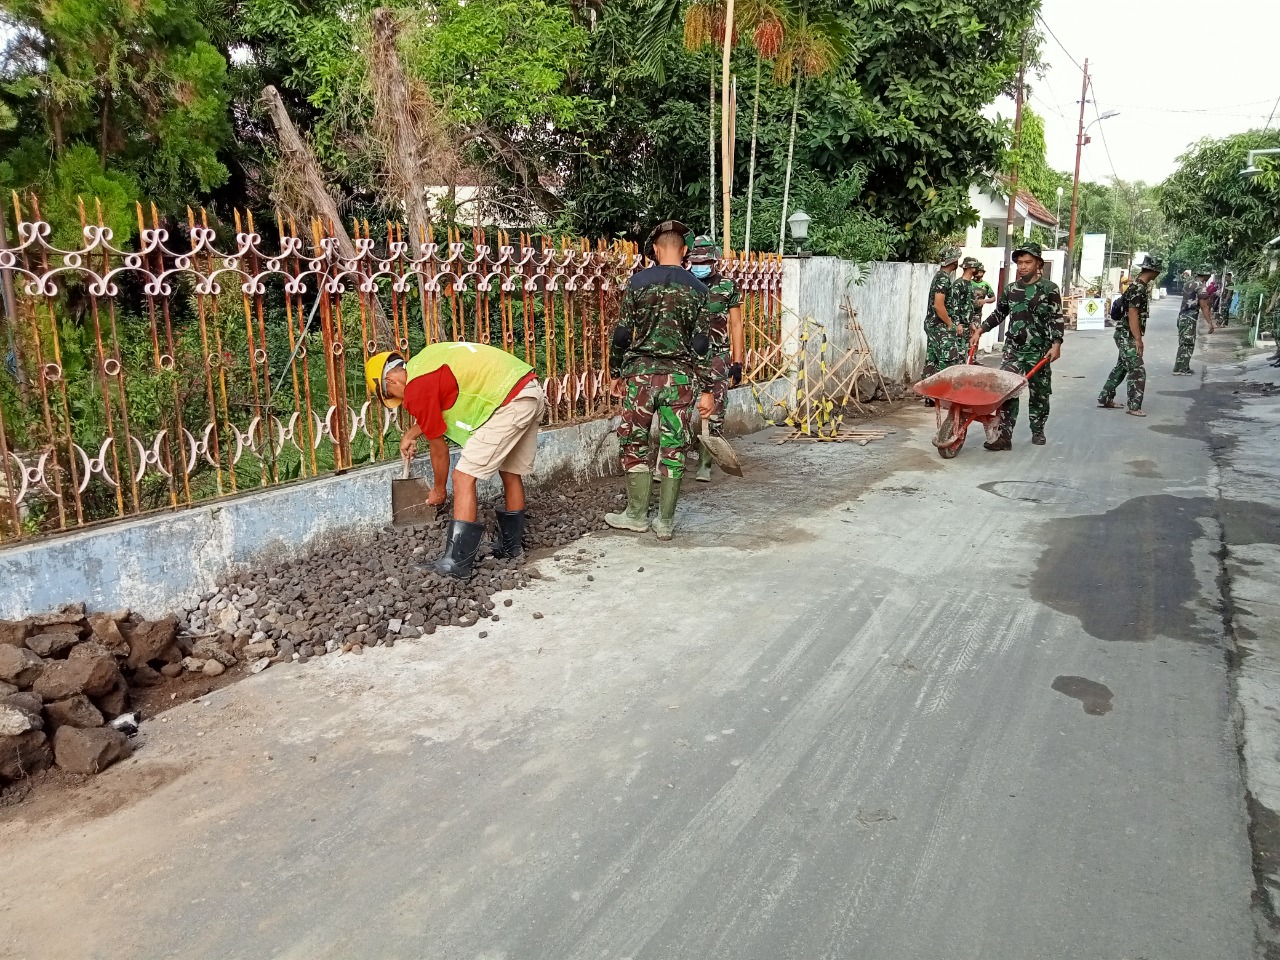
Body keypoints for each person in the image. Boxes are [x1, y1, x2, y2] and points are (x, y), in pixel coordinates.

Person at [365, 342, 547, 578]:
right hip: (528, 390)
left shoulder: (416, 387)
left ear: (390, 382)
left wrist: (439, 490)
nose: (401, 401)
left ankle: (456, 564)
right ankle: (512, 548)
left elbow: (438, 448)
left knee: (462, 477)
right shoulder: (427, 360)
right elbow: (438, 407)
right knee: (510, 472)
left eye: (393, 396)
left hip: (508, 403)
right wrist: (410, 434)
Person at [604, 220, 714, 540]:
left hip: (641, 377)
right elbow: (702, 344)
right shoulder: (699, 289)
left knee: (634, 442)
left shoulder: (638, 283)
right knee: (673, 447)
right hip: (680, 380)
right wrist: (706, 388)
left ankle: (637, 515)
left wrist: (615, 372)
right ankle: (664, 522)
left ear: (655, 249)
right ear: (683, 251)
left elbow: (623, 334)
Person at [969, 242, 1063, 449]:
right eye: (1020, 262)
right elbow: (999, 314)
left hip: (1039, 351)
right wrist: (981, 330)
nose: (1022, 266)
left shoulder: (1049, 289)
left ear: (1038, 263)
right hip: (1013, 350)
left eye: (1027, 262)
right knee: (1006, 390)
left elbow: (1056, 318)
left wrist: (1056, 343)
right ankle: (1004, 436)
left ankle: (1038, 430)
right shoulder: (1011, 289)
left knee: (1040, 393)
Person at [687, 235, 744, 483]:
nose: (699, 265)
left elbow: (736, 323)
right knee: (682, 406)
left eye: (705, 260)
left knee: (715, 410)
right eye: (695, 260)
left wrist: (738, 362)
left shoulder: (727, 287)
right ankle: (672, 459)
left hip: (717, 356)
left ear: (714, 260)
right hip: (687, 356)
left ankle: (705, 462)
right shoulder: (683, 284)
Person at [1097, 254, 1162, 417]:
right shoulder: (1138, 288)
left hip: (1124, 333)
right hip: (1127, 335)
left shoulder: (1137, 286)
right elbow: (1133, 313)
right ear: (1154, 271)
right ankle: (1134, 406)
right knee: (1137, 369)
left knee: (1121, 367)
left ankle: (1105, 397)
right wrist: (1138, 339)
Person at [921, 247, 962, 400]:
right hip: (939, 326)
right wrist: (950, 324)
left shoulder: (939, 276)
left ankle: (930, 396)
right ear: (954, 261)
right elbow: (939, 305)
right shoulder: (943, 278)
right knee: (948, 358)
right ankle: (945, 395)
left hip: (933, 325)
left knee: (932, 359)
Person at [1173, 265, 1213, 375]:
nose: (1210, 276)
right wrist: (1209, 323)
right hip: (1190, 318)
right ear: (1206, 275)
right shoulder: (1201, 287)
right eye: (1209, 274)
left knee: (1183, 343)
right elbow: (1204, 306)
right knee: (1188, 344)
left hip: (1182, 316)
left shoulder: (1188, 283)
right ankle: (1179, 369)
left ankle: (1183, 366)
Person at [969, 264, 996, 337]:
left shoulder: (986, 285)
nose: (979, 274)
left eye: (981, 272)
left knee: (975, 334)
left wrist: (985, 301)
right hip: (967, 313)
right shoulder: (969, 283)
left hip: (977, 315)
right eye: (978, 272)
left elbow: (993, 298)